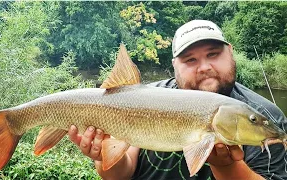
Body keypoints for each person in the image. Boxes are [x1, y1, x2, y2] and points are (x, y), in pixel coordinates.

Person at [68, 20, 287, 179]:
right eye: (190, 59)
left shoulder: (265, 117)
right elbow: (120, 174)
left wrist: (226, 167)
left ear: (230, 52)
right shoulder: (143, 97)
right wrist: (101, 156)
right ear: (175, 65)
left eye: (213, 54)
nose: (204, 67)